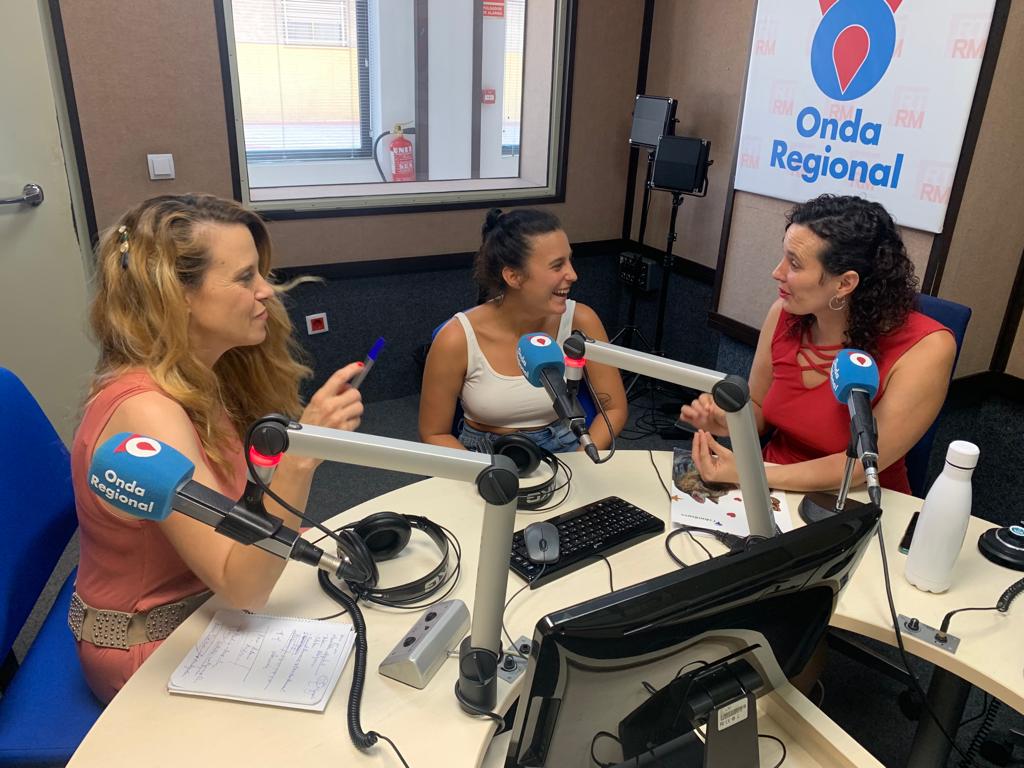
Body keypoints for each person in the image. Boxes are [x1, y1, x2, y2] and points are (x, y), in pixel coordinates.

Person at [70, 194, 365, 702]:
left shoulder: (202, 377)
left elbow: (240, 513)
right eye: (245, 277)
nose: (267, 291)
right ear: (177, 295)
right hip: (152, 643)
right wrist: (300, 458)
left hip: (205, 604)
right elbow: (243, 589)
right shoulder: (150, 412)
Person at [681, 194, 956, 495]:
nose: (777, 272)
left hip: (856, 497)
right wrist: (728, 419)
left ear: (844, 284)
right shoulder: (784, 315)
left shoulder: (927, 348)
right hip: (769, 485)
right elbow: (759, 409)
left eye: (795, 264)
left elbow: (860, 467)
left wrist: (753, 471)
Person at [419, 208, 627, 455]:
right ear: (514, 276)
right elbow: (434, 433)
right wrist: (488, 473)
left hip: (566, 447)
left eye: (570, 260)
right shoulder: (456, 338)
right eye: (557, 265)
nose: (573, 274)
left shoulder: (580, 321)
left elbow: (613, 408)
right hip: (485, 454)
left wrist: (581, 461)